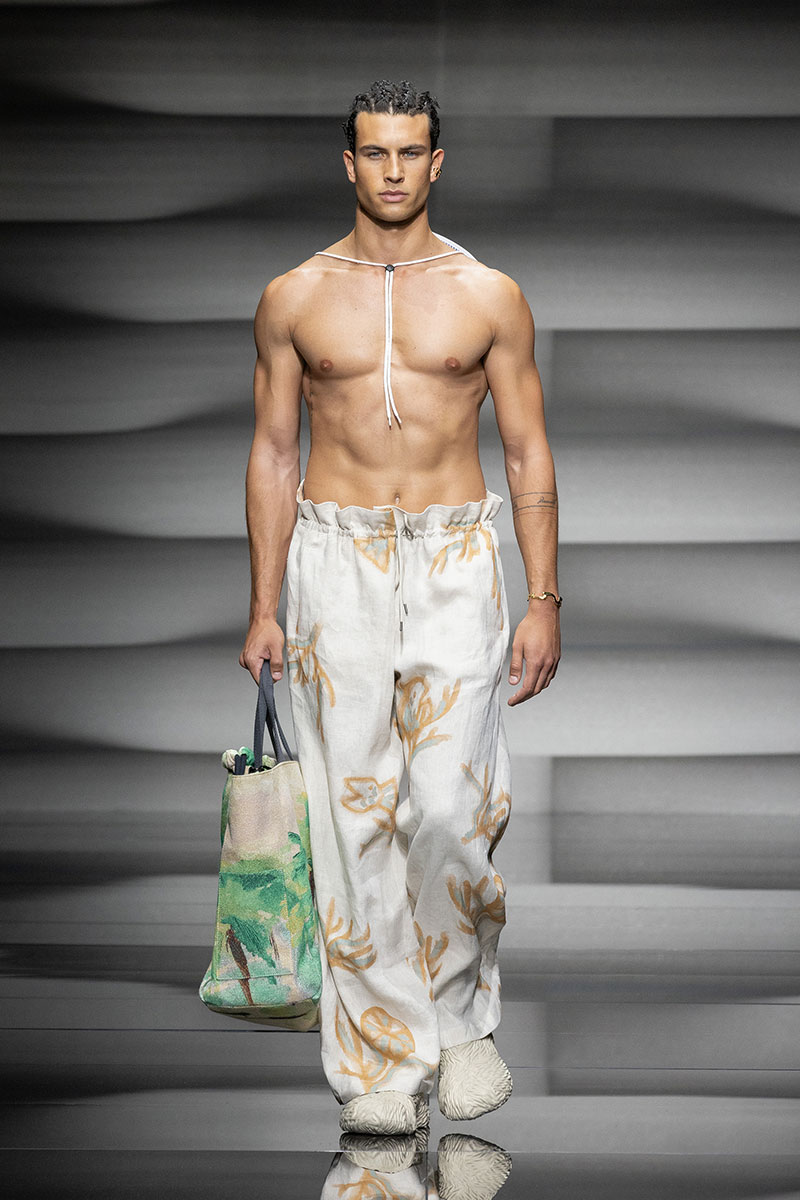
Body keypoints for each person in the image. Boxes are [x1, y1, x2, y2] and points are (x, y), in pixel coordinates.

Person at [239, 79, 561, 1138]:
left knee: (452, 805)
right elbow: (274, 452)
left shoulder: (488, 295)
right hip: (333, 557)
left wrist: (543, 597)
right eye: (374, 152)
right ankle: (379, 1059)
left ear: (436, 162)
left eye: (409, 152)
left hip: (454, 552)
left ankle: (460, 1027)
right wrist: (262, 605)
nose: (391, 170)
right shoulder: (293, 297)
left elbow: (526, 451)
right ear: (349, 163)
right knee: (352, 814)